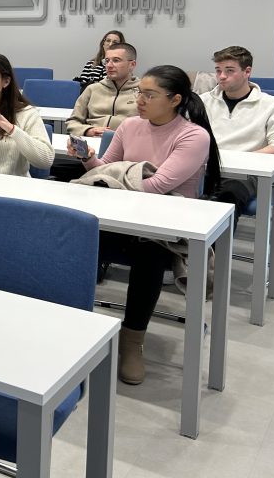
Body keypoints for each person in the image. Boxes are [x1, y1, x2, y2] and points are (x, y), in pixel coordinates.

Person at [69, 65, 221, 385]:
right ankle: (73, 323)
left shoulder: (194, 136)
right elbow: (105, 170)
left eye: (149, 95)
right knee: (74, 236)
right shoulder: (129, 126)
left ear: (175, 99)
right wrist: (86, 158)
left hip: (165, 227)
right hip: (123, 215)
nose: (139, 100)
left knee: (149, 254)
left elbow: (158, 185)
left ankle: (132, 339)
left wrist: (114, 181)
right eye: (140, 93)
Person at [201, 46, 274, 214]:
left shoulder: (272, 105)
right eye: (218, 70)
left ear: (247, 71)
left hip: (246, 173)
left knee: (227, 196)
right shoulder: (203, 101)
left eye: (229, 70)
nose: (222, 76)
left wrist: (240, 160)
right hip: (207, 168)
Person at [65, 42, 140, 137]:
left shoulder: (143, 92)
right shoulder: (92, 89)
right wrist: (88, 130)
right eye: (107, 61)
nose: (109, 65)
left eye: (116, 60)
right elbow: (73, 121)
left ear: (132, 65)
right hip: (93, 141)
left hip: (128, 142)